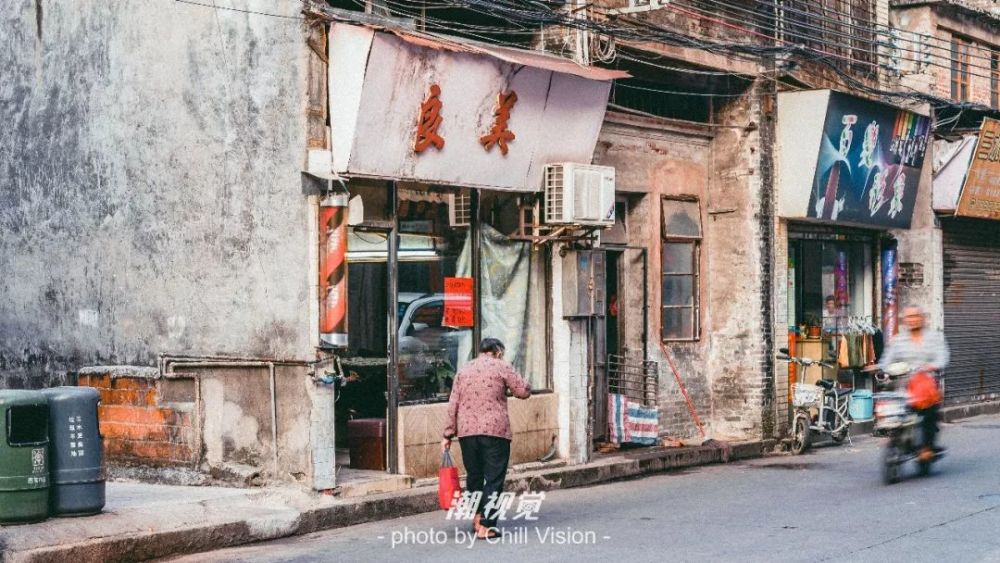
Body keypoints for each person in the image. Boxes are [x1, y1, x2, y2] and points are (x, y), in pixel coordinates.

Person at [441, 338, 531, 539]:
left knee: (474, 477)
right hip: (494, 431)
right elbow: (522, 392)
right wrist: (525, 382)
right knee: (493, 478)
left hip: (467, 433)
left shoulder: (464, 370)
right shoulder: (502, 366)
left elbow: (453, 404)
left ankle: (477, 517)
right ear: (498, 352)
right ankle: (486, 527)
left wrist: (447, 434)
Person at [879, 305, 949, 460]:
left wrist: (932, 366)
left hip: (926, 384)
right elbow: (886, 361)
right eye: (909, 317)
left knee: (930, 412)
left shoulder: (934, 337)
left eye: (915, 316)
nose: (912, 320)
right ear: (904, 320)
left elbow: (942, 357)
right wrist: (883, 369)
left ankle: (927, 446)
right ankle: (893, 433)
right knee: (888, 406)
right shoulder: (898, 340)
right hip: (902, 385)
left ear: (922, 318)